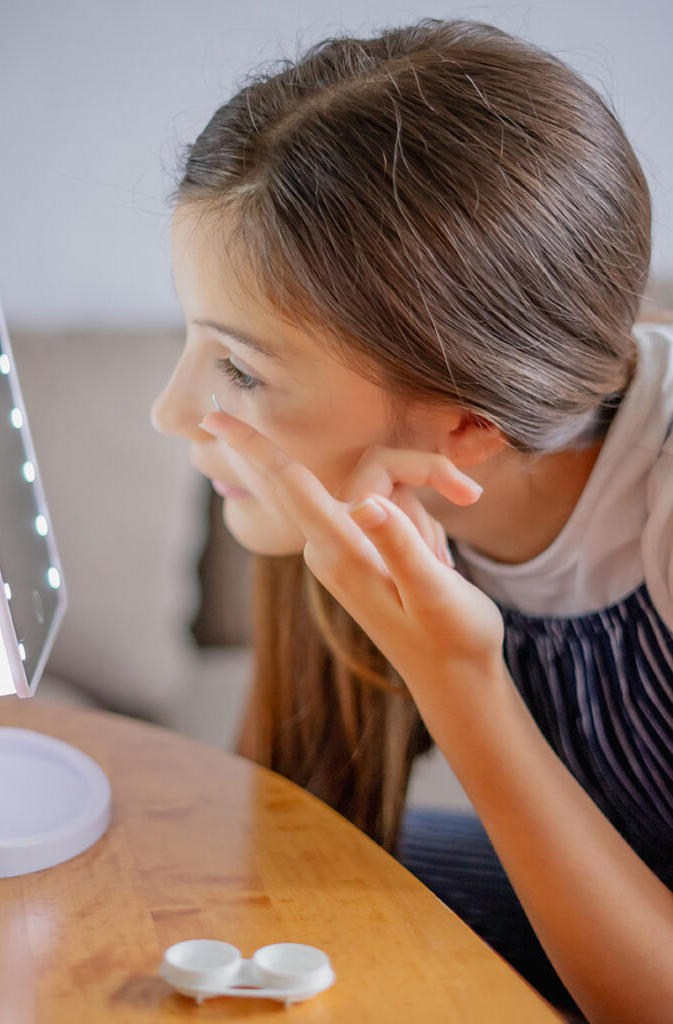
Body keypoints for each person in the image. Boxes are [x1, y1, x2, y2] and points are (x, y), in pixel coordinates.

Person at [149, 18, 673, 1023]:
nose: (171, 412)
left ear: (468, 425)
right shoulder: (345, 500)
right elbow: (293, 823)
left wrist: (458, 671)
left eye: (242, 368)